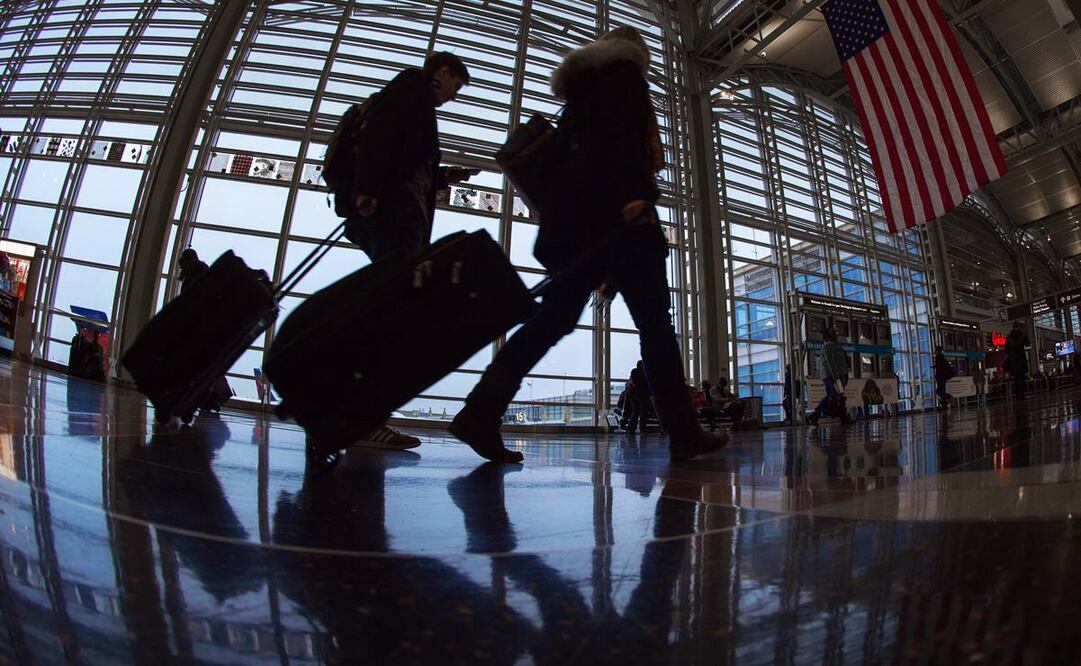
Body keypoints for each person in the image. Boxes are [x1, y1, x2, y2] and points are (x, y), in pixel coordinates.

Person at [449, 27, 727, 462]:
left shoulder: (579, 94)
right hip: (623, 221)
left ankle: (480, 411)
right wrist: (636, 194)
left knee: (550, 322)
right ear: (636, 49)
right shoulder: (624, 73)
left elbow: (583, 157)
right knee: (655, 325)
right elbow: (622, 139)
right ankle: (683, 431)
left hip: (575, 228)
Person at [335, 52, 476, 450]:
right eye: (456, 86)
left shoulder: (412, 99)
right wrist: (369, 190)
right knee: (384, 315)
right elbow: (381, 136)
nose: (453, 96)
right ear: (443, 72)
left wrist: (444, 176)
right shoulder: (413, 88)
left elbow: (403, 158)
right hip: (396, 220)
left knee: (384, 311)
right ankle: (363, 417)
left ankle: (359, 412)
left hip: (397, 219)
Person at [808, 327, 852, 426]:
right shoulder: (828, 346)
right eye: (833, 332)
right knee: (833, 396)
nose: (836, 333)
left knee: (839, 396)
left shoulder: (835, 345)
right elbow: (831, 362)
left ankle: (840, 416)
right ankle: (816, 415)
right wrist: (836, 377)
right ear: (828, 335)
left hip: (838, 376)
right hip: (834, 377)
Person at [624, 360, 653, 433]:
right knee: (643, 412)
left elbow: (634, 383)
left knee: (635, 411)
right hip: (643, 395)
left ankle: (631, 429)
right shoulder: (646, 373)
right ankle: (642, 429)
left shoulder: (634, 372)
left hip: (634, 395)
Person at [1004, 322, 1029, 400]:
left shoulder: (1008, 338)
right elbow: (1028, 344)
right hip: (1021, 358)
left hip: (1013, 360)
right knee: (1022, 378)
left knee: (1015, 378)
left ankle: (1017, 396)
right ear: (1018, 327)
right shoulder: (1023, 335)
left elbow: (1006, 350)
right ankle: (1022, 395)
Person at [933, 345, 955, 410]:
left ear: (937, 350)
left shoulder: (938, 357)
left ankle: (948, 398)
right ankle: (944, 405)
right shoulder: (942, 357)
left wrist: (937, 374)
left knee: (939, 391)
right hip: (943, 377)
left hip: (940, 377)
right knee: (941, 391)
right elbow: (941, 366)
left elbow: (939, 368)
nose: (934, 351)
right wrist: (935, 367)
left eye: (935, 350)